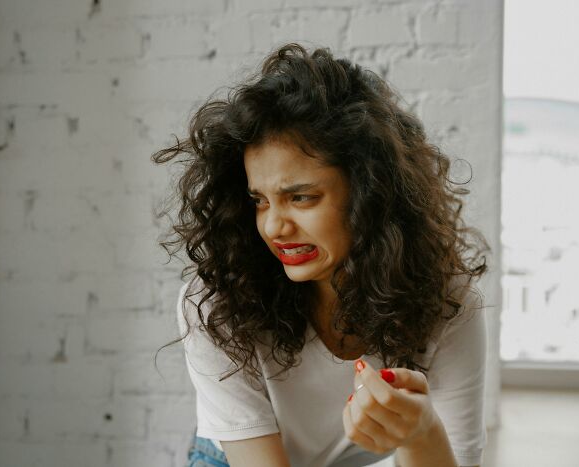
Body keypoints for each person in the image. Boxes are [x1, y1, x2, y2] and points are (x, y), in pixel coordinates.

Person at [153, 43, 489, 467]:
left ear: (371, 194)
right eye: (259, 200)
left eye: (301, 197)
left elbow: (456, 459)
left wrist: (422, 432)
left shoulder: (448, 300)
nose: (274, 226)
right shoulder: (214, 302)